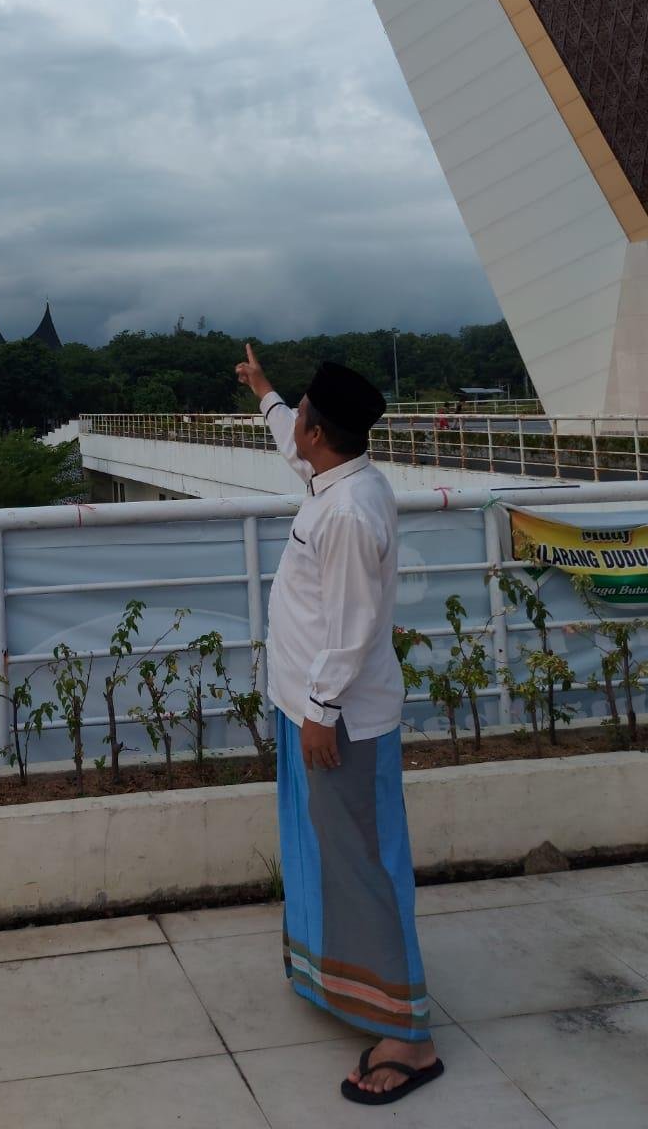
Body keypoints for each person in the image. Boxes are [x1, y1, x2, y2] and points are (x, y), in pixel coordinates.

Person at [235, 343, 443, 1107]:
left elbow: (352, 626)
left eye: (302, 421)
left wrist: (320, 713)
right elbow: (289, 443)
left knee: (361, 863)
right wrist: (263, 392)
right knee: (328, 855)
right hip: (313, 713)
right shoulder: (336, 478)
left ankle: (409, 1039)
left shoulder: (350, 511)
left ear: (320, 436)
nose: (297, 431)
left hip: (338, 722)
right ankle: (346, 983)